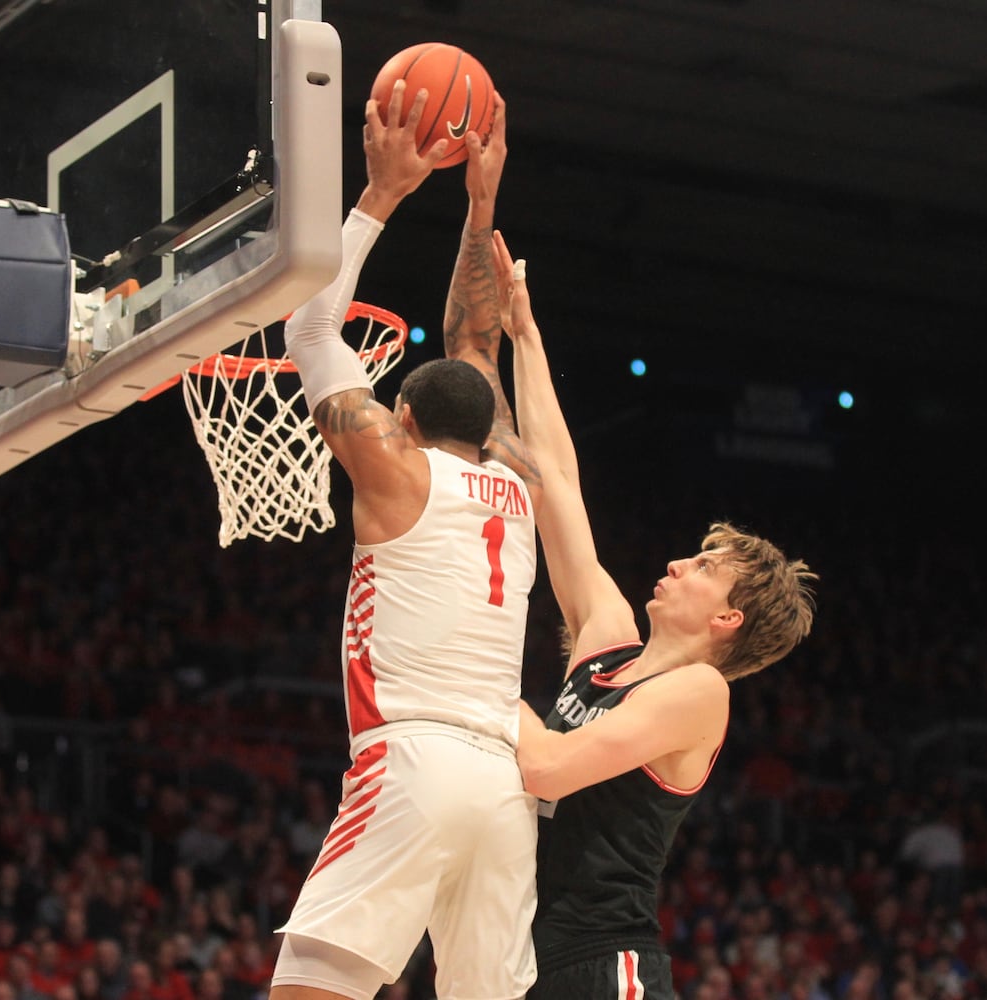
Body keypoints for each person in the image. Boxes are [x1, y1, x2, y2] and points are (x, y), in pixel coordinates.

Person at [483, 230, 817, 1000]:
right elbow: (556, 480)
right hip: (515, 958)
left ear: (728, 620)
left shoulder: (700, 693)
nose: (675, 564)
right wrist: (523, 336)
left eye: (703, 567)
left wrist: (471, 668)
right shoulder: (606, 645)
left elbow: (548, 767)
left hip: (605, 966)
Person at [269, 82, 541, 1000]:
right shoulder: (516, 479)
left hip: (412, 761)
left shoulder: (398, 467)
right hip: (504, 785)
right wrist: (479, 200)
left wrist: (381, 194)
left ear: (407, 417)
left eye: (391, 406)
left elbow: (308, 326)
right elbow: (475, 339)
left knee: (309, 989)